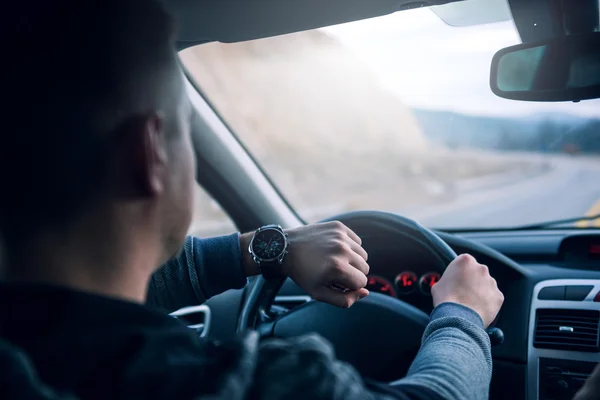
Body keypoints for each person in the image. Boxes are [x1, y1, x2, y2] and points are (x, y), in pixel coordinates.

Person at [0, 1, 504, 399]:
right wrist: (461, 314)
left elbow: (75, 304)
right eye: (186, 138)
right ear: (149, 155)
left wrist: (271, 248)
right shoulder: (242, 385)